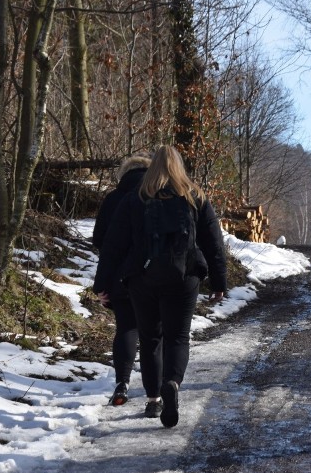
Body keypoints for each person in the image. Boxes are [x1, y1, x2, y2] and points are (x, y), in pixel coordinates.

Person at [93, 145, 227, 428]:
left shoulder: (135, 199)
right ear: (179, 166)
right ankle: (173, 383)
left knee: (150, 338)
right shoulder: (195, 197)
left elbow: (113, 246)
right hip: (185, 277)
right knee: (177, 337)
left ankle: (154, 400)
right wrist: (219, 281)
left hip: (143, 278)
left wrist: (102, 284)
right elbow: (214, 243)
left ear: (151, 168)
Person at [93, 152, 153, 406]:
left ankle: (122, 382)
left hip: (119, 275)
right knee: (154, 332)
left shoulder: (114, 198)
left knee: (126, 327)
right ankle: (157, 390)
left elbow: (100, 240)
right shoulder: (157, 196)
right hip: (153, 274)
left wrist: (103, 282)